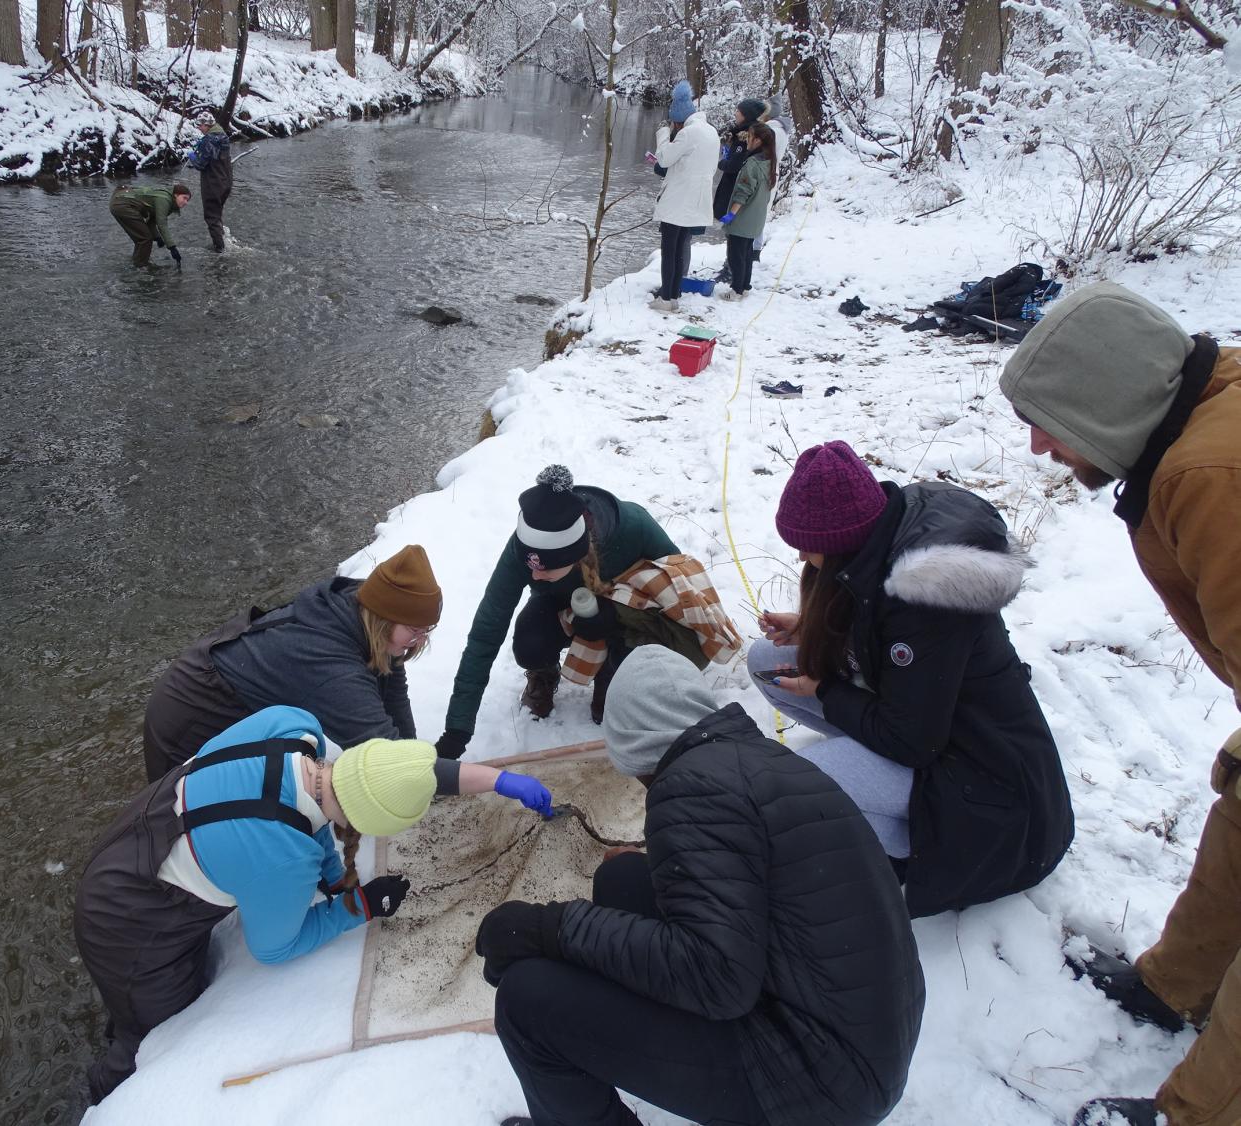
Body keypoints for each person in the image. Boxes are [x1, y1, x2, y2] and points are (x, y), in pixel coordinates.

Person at [477, 646, 925, 1126]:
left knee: (528, 1001)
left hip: (811, 1082)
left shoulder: (688, 789)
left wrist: (552, 928)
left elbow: (717, 979)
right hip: (868, 1041)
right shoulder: (760, 760)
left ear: (630, 741)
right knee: (624, 879)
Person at [998, 281, 1241, 1126]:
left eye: (1046, 419)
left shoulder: (1210, 475)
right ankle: (1174, 986)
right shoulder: (1207, 413)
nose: (1036, 446)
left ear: (1102, 401)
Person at [76, 705, 556, 1103]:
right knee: (151, 1030)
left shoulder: (300, 732)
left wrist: (499, 781)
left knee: (134, 998)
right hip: (129, 917)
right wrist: (360, 907)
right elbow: (275, 949)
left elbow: (393, 777)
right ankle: (107, 1099)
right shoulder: (283, 859)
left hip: (135, 833)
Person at [748, 440, 1074, 917]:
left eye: (807, 545)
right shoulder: (879, 543)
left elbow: (913, 740)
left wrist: (825, 691)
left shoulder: (926, 597)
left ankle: (900, 850)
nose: (800, 556)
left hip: (988, 796)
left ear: (841, 542)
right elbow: (873, 623)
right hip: (926, 732)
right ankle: (865, 777)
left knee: (801, 782)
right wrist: (811, 628)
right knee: (766, 661)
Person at [437, 465, 689, 760]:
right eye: (530, 567)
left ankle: (612, 673)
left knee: (607, 708)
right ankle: (544, 674)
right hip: (557, 607)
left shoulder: (632, 526)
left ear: (577, 554)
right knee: (529, 644)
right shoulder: (523, 550)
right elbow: (485, 632)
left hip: (626, 611)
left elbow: (682, 584)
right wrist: (457, 730)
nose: (534, 575)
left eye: (544, 569)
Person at [143, 544, 441, 783]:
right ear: (383, 619)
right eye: (414, 631)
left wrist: (414, 755)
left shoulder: (368, 612)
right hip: (191, 717)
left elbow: (392, 691)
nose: (418, 641)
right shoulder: (330, 665)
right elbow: (385, 759)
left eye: (426, 630)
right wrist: (445, 775)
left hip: (241, 698)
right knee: (181, 818)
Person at [650, 80, 719, 312]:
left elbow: (664, 159)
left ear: (677, 120)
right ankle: (675, 294)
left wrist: (662, 134)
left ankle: (666, 299)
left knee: (669, 250)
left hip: (678, 201)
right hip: (696, 201)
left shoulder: (688, 133)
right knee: (680, 248)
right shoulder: (711, 132)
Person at [718, 122, 776, 299]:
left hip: (744, 218)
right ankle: (744, 286)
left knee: (736, 254)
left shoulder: (752, 163)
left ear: (757, 140)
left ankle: (736, 290)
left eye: (749, 137)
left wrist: (732, 214)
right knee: (747, 253)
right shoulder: (769, 160)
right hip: (757, 218)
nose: (747, 140)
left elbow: (744, 191)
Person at [712, 97, 767, 224]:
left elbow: (733, 166)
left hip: (733, 191)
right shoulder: (745, 133)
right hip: (737, 190)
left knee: (731, 229)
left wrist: (721, 161)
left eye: (738, 111)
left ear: (746, 115)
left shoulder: (744, 138)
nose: (735, 113)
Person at [109, 181, 189, 266]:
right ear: (176, 195)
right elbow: (162, 223)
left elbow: (151, 221)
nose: (186, 202)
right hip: (122, 204)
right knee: (145, 238)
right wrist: (172, 247)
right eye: (184, 198)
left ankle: (136, 263)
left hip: (119, 201)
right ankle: (141, 267)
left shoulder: (167, 200)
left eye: (187, 200)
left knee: (142, 238)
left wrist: (157, 237)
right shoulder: (165, 199)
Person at [186, 109, 232, 253]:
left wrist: (192, 156)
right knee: (217, 214)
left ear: (207, 125)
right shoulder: (223, 136)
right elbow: (215, 156)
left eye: (200, 125)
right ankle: (223, 240)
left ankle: (220, 250)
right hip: (226, 182)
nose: (199, 128)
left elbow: (201, 164)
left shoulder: (208, 140)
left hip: (213, 184)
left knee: (211, 217)